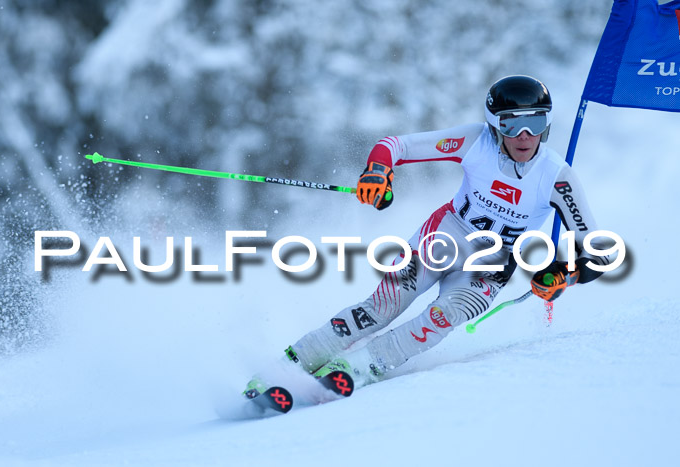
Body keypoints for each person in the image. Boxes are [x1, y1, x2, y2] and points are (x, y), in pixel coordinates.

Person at [245, 75, 611, 396]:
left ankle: (357, 368)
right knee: (383, 307)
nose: (524, 135)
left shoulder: (557, 177)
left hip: (492, 265)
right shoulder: (475, 142)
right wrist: (377, 171)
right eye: (511, 124)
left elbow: (600, 254)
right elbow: (395, 146)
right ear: (493, 124)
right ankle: (288, 366)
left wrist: (565, 274)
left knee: (442, 316)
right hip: (445, 235)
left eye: (535, 121)